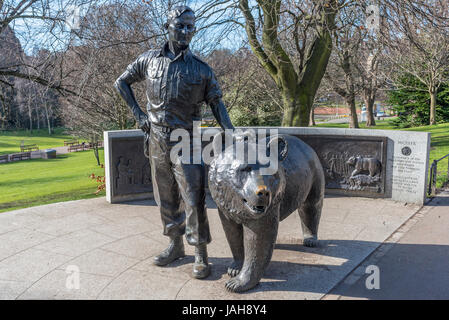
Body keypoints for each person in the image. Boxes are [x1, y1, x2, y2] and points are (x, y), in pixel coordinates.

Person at [114, 5, 234, 279]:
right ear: (166, 27)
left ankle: (200, 252)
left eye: (190, 27)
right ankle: (175, 244)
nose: (185, 32)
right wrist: (138, 114)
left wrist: (230, 130)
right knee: (166, 197)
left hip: (187, 140)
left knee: (193, 198)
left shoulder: (201, 70)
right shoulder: (148, 60)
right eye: (180, 26)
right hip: (156, 138)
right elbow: (121, 83)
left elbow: (216, 102)